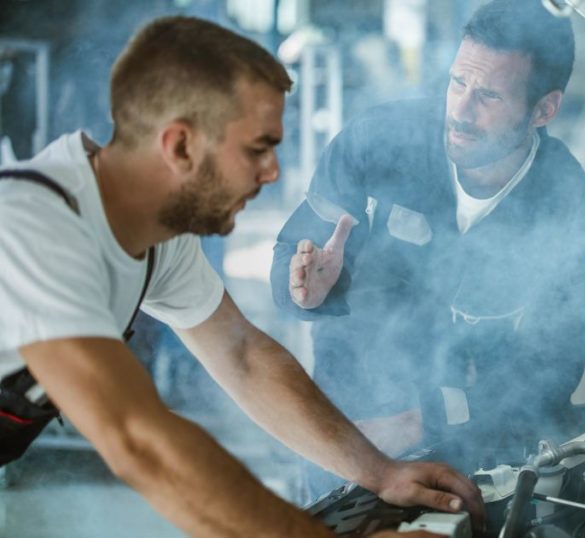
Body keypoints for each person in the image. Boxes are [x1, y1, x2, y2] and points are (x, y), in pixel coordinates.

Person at [0, 16, 482, 537]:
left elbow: (243, 357)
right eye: (258, 148)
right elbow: (138, 443)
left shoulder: (159, 237)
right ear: (180, 146)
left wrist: (380, 472)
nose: (273, 171)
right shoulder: (31, 228)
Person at [271, 0, 585, 496]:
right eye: (457, 83)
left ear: (544, 109)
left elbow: (555, 364)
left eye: (488, 95)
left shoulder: (564, 200)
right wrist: (305, 292)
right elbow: (287, 265)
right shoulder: (379, 141)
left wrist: (426, 421)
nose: (461, 112)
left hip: (475, 447)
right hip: (350, 431)